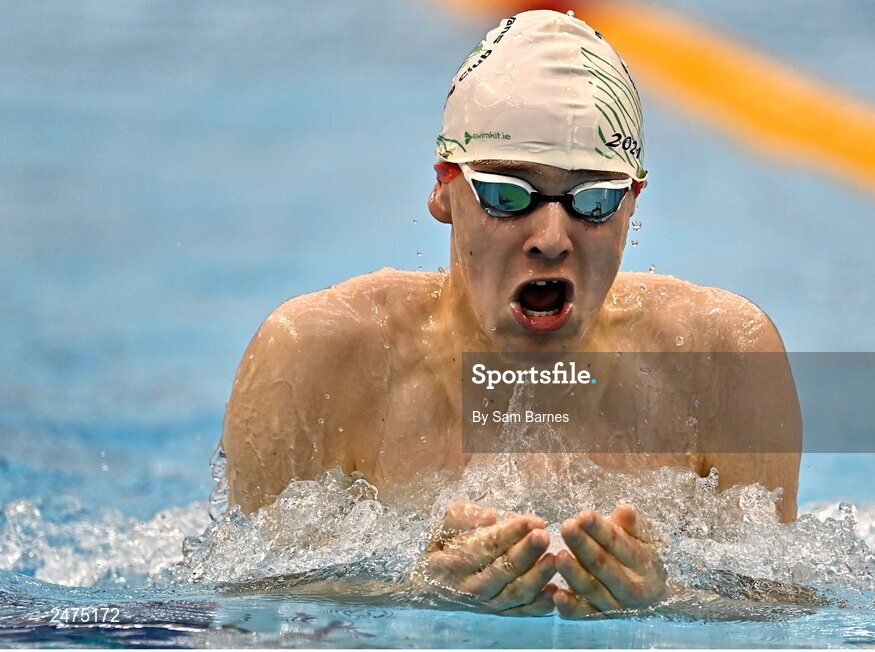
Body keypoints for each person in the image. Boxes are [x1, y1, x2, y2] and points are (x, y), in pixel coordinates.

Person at [221, 10, 801, 618]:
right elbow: (248, 613)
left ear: (633, 204)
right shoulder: (316, 357)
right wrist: (415, 595)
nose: (552, 237)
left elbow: (783, 612)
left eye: (594, 200)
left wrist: (669, 601)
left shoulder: (724, 359)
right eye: (507, 194)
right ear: (445, 188)